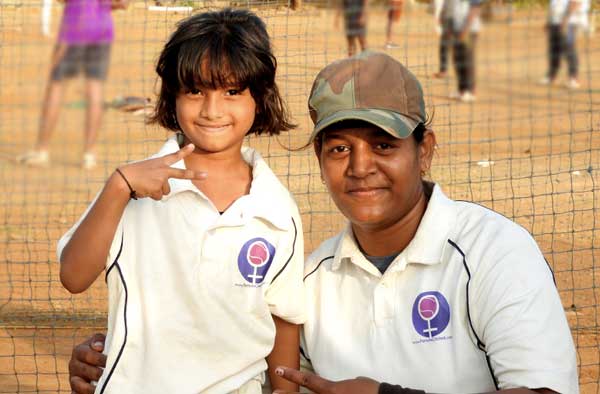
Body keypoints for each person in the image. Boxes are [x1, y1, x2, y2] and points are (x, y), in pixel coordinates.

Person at [67, 52, 578, 393]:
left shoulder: (495, 251)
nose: (359, 168)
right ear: (319, 158)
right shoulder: (310, 279)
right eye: (339, 148)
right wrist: (118, 354)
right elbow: (244, 363)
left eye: (383, 145)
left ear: (425, 152)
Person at [58, 8, 305, 394]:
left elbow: (284, 317)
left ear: (260, 98)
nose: (212, 110)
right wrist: (119, 186)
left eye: (233, 91)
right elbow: (73, 277)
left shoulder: (276, 209)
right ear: (171, 96)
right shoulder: (133, 190)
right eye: (195, 91)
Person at [18, 0, 128, 169]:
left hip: (75, 28)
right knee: (95, 89)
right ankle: (89, 155)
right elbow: (122, 3)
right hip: (102, 30)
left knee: (56, 86)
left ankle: (42, 150)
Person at [541, 0, 590, 89]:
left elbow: (575, 3)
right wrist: (549, 21)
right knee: (554, 49)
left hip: (570, 22)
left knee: (568, 49)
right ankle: (552, 76)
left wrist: (565, 20)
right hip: (555, 22)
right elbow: (553, 5)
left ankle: (573, 78)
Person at [448, 0, 482, 102]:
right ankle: (462, 90)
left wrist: (465, 29)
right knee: (458, 59)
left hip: (469, 30)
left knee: (467, 59)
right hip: (456, 29)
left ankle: (471, 91)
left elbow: (475, 9)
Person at [432, 0, 453, 78]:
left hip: (457, 17)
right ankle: (443, 70)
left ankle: (443, 70)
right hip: (449, 16)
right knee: (444, 45)